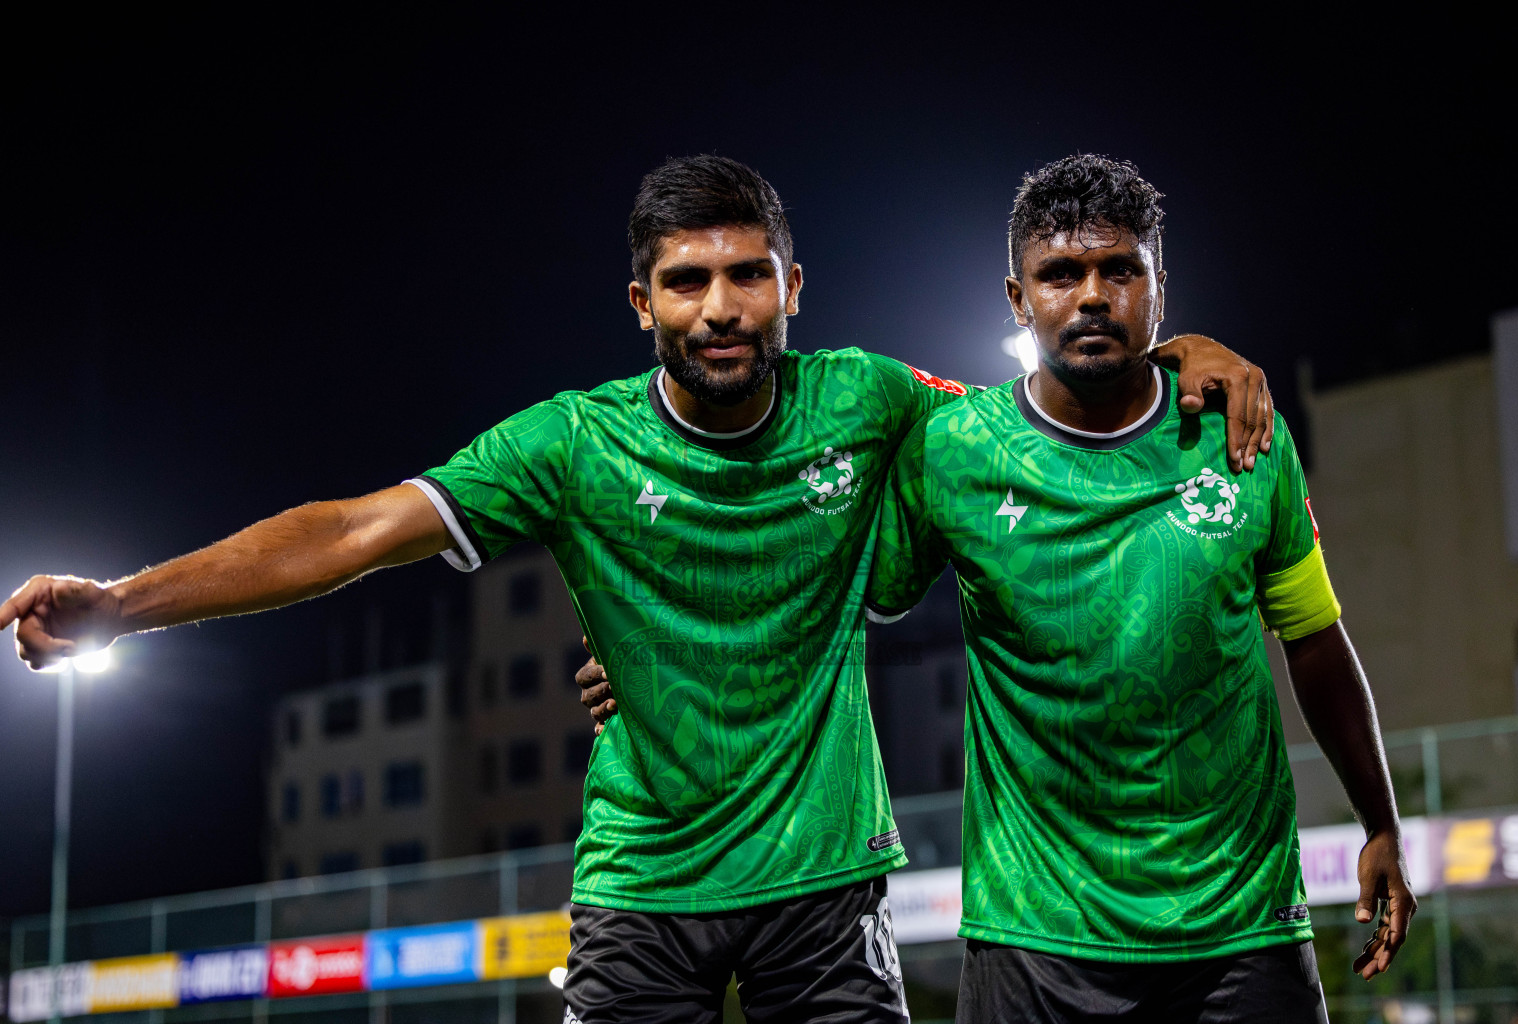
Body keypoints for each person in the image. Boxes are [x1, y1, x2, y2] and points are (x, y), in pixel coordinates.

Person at [3, 155, 1271, 1024]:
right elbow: (350, 531)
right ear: (640, 302)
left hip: (825, 890)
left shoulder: (869, 397)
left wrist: (1173, 349)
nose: (720, 308)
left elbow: (1041, 408)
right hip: (640, 892)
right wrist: (125, 603)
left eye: (746, 275)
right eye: (687, 281)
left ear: (791, 288)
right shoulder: (571, 443)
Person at [861, 154, 1416, 1021]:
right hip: (1034, 937)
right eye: (1059, 274)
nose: (1090, 295)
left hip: (1240, 929)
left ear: (1161, 289)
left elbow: (1313, 638)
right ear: (1017, 300)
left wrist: (1379, 820)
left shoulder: (1243, 429)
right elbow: (852, 599)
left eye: (1119, 269)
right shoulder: (956, 448)